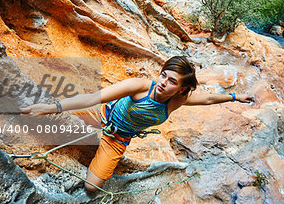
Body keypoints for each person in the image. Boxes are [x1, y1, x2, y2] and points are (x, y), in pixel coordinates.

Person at [21, 56, 254, 192]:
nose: (163, 82)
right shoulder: (141, 86)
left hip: (118, 138)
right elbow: (94, 97)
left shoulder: (179, 100)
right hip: (100, 114)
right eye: (163, 75)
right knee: (50, 112)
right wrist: (51, 108)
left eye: (172, 81)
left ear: (182, 88)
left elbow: (210, 98)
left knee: (92, 187)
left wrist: (235, 97)